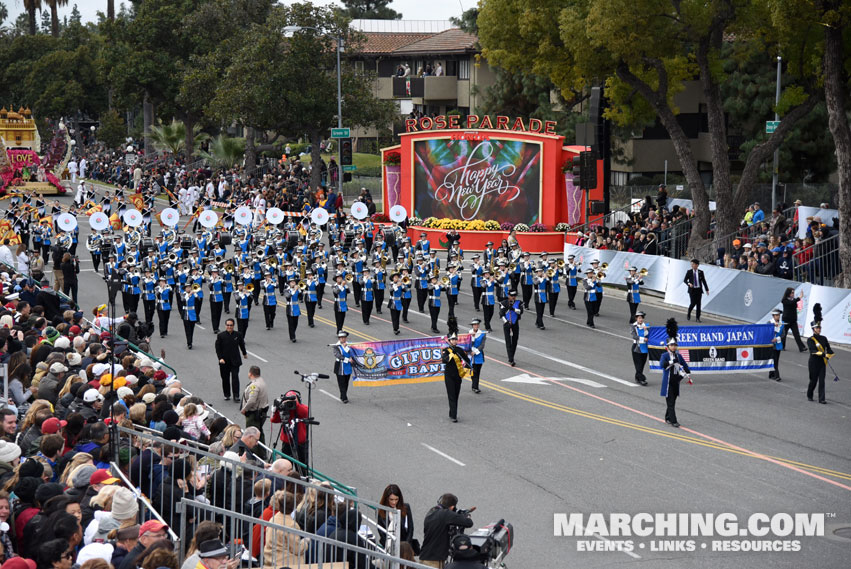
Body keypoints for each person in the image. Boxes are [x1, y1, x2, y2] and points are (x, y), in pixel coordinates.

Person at [420, 494, 474, 568]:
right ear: (452, 507)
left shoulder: (432, 511)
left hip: (425, 556)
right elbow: (468, 523)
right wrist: (467, 516)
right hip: (434, 560)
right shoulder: (446, 514)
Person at [659, 338, 692, 427]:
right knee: (670, 402)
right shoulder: (665, 355)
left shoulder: (678, 356)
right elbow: (662, 365)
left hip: (676, 381)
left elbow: (685, 366)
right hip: (668, 381)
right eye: (671, 345)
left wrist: (686, 373)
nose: (673, 347)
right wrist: (672, 361)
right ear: (668, 346)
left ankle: (668, 417)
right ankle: (674, 421)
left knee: (673, 401)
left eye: (675, 345)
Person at [215, 318, 248, 402]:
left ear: (233, 326)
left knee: (235, 378)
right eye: (228, 325)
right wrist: (220, 358)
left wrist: (244, 353)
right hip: (224, 361)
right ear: (225, 326)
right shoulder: (221, 336)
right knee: (225, 378)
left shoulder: (238, 335)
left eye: (231, 325)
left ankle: (236, 395)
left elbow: (242, 344)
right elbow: (218, 348)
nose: (229, 327)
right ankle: (227, 394)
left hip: (235, 361)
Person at [441, 333, 470, 423]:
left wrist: (465, 369)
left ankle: (451, 412)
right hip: (449, 376)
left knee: (456, 395)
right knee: (452, 395)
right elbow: (444, 360)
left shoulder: (459, 350)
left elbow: (467, 360)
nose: (454, 341)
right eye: (452, 339)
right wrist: (452, 353)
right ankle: (454, 416)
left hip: (458, 376)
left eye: (455, 339)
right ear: (449, 341)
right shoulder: (446, 351)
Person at [806, 321, 834, 404]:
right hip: (813, 363)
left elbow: (829, 349)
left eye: (819, 328)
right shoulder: (810, 339)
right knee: (813, 380)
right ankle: (809, 394)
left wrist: (829, 354)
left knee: (822, 381)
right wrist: (822, 354)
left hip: (822, 363)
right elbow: (812, 350)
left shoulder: (824, 338)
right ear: (813, 329)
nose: (819, 329)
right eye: (817, 328)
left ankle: (821, 399)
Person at [241, 366, 269, 443]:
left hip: (254, 414)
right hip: (261, 411)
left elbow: (252, 400)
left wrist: (244, 409)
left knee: (252, 435)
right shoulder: (262, 381)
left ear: (250, 373)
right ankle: (262, 452)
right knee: (259, 432)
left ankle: (254, 452)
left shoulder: (254, 385)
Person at [498, 290, 522, 366]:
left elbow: (521, 312)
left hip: (515, 323)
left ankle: (512, 356)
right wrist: (506, 322)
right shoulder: (503, 303)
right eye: (512, 296)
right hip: (507, 324)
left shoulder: (519, 303)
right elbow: (501, 314)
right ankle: (511, 359)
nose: (513, 297)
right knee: (508, 341)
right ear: (509, 296)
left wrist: (513, 309)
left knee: (515, 341)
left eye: (515, 296)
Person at [780, 287, 807, 352]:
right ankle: (782, 346)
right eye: (792, 292)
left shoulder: (793, 300)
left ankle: (801, 347)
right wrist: (799, 297)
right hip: (786, 320)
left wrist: (797, 299)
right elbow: (790, 303)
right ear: (788, 293)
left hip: (793, 320)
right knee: (784, 334)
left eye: (793, 292)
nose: (793, 294)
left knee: (797, 335)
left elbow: (794, 304)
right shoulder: (784, 300)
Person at [332, 331, 353, 404]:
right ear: (339, 338)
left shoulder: (349, 345)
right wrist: (348, 359)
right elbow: (338, 355)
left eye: (344, 337)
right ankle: (344, 397)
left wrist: (347, 347)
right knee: (341, 382)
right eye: (341, 338)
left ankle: (343, 395)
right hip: (340, 366)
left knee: (346, 382)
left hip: (348, 366)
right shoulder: (336, 346)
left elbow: (352, 353)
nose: (343, 339)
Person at [631, 311, 649, 386]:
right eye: (639, 318)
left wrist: (645, 330)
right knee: (638, 364)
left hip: (644, 347)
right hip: (636, 347)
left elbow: (648, 335)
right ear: (636, 319)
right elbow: (634, 336)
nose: (640, 320)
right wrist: (642, 339)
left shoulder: (646, 326)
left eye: (641, 318)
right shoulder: (633, 326)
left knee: (642, 364)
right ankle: (642, 379)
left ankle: (637, 377)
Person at [468, 319, 486, 394]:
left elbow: (482, 345)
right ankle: (474, 386)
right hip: (470, 355)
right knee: (473, 372)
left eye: (477, 324)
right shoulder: (469, 333)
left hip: (478, 355)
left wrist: (475, 352)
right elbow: (468, 344)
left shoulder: (482, 333)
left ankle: (475, 386)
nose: (476, 326)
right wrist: (472, 337)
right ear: (472, 326)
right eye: (474, 325)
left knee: (477, 372)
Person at [768, 309, 785, 382]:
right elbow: (766, 332)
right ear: (773, 316)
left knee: (776, 360)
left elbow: (783, 334)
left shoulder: (782, 323)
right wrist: (773, 326)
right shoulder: (769, 323)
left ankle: (771, 373)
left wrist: (777, 338)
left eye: (779, 315)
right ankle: (776, 375)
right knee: (773, 359)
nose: (778, 317)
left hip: (778, 343)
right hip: (771, 344)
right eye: (776, 315)